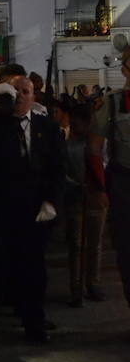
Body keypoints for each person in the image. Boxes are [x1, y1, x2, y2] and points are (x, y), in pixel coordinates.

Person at [0, 76, 64, 342]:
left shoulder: (47, 127)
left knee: (33, 269)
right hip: (0, 209)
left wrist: (51, 201)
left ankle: (33, 322)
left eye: (26, 92)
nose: (21, 96)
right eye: (16, 92)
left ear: (34, 96)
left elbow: (57, 169)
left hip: (34, 211)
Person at [88, 44, 130, 308]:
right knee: (127, 251)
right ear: (125, 70)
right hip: (124, 184)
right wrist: (101, 189)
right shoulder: (111, 104)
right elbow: (94, 150)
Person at [63, 104, 108, 306]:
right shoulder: (66, 144)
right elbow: (61, 171)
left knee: (94, 244)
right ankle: (76, 287)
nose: (75, 127)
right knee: (76, 245)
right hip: (75, 198)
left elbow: (106, 165)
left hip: (96, 197)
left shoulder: (100, 144)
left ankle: (92, 283)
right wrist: (75, 184)